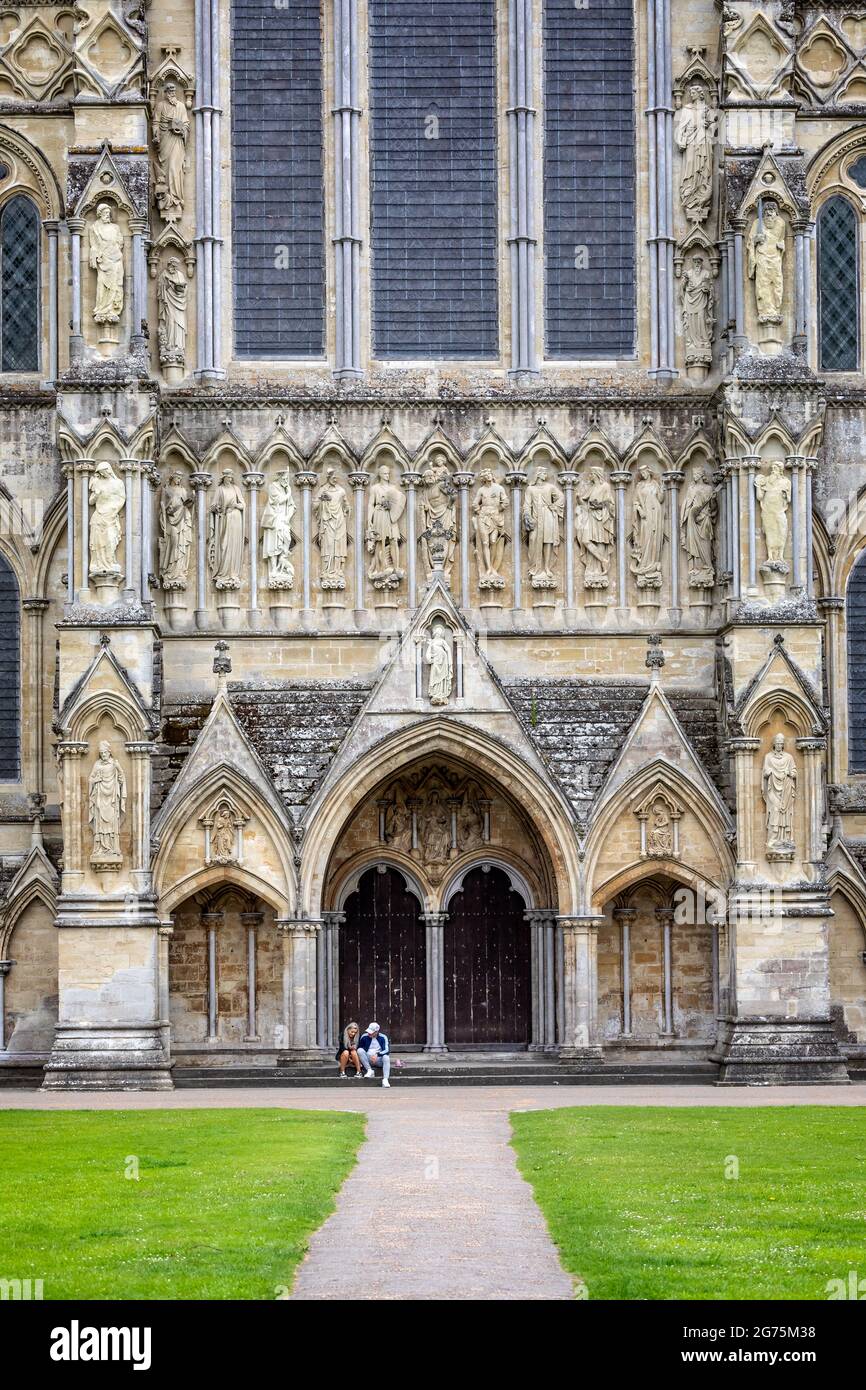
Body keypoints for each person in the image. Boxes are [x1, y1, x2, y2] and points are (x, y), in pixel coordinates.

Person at [357, 1022, 391, 1087]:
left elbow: (387, 1050)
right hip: (367, 1059)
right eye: (369, 1031)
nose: (369, 1033)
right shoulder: (364, 1036)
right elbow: (359, 1048)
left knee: (386, 1057)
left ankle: (385, 1080)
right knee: (359, 1050)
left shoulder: (383, 1037)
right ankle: (369, 1070)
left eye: (371, 1032)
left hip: (378, 1059)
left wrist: (377, 1055)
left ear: (376, 1031)